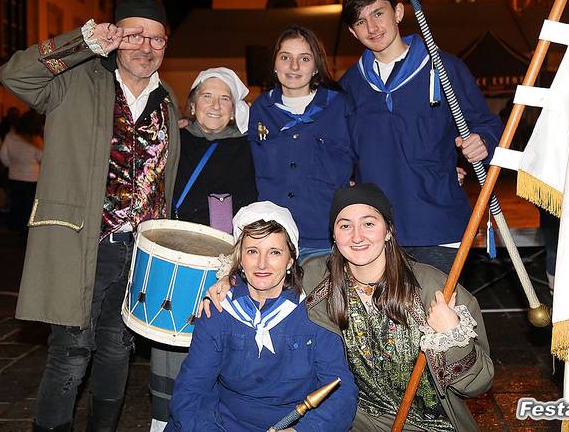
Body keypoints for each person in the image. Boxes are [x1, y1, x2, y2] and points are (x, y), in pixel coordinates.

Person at [0, 0, 180, 432]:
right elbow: (14, 75)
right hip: (83, 243)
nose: (145, 46)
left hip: (140, 251)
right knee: (71, 353)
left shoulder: (169, 101)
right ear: (115, 37)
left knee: (118, 349)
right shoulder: (75, 80)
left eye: (156, 38)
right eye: (134, 34)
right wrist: (82, 42)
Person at [203, 184, 493, 431]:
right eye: (345, 225)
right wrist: (229, 283)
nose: (357, 236)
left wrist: (451, 335)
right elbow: (269, 272)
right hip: (357, 422)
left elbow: (478, 384)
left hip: (430, 424)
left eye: (369, 223)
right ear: (334, 236)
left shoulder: (433, 288)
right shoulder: (317, 278)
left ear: (388, 231)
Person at [339, 0, 504, 272]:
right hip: (376, 235)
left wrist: (483, 141)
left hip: (437, 225)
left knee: (439, 316)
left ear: (398, 12)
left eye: (378, 13)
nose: (372, 28)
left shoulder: (443, 68)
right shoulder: (350, 85)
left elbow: (488, 125)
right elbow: (340, 152)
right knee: (387, 319)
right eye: (361, 21)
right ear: (353, 31)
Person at [168, 201, 357, 432]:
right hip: (222, 424)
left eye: (274, 252)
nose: (262, 264)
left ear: (290, 260)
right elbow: (192, 389)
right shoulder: (218, 311)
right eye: (252, 251)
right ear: (240, 258)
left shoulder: (314, 313)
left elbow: (342, 391)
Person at [150, 67, 258, 430]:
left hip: (222, 257)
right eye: (207, 96)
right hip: (174, 252)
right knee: (169, 338)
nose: (215, 105)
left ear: (234, 107)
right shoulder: (174, 139)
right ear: (192, 104)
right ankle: (162, 418)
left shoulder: (246, 148)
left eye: (224, 97)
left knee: (216, 340)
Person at [248, 26, 355, 260]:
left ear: (316, 66)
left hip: (324, 240)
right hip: (273, 238)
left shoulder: (340, 107)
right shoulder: (259, 110)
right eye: (285, 57)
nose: (294, 67)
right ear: (274, 65)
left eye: (304, 58)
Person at [0, 109, 44, 233]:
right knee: (30, 207)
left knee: (16, 203)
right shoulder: (36, 140)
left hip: (14, 175)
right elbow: (41, 158)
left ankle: (15, 228)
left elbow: (3, 155)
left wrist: (12, 165)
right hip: (32, 177)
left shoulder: (10, 136)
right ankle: (27, 231)